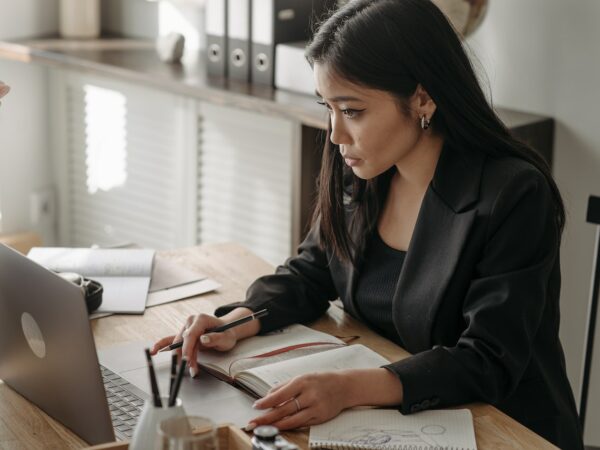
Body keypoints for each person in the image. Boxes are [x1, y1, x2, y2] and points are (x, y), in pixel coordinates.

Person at [153, 0, 583, 448]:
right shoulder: (366, 169)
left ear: (422, 98)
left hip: (504, 430)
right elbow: (311, 271)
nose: (336, 135)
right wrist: (235, 322)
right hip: (390, 424)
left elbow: (487, 360)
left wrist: (349, 388)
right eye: (329, 108)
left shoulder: (513, 194)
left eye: (352, 110)